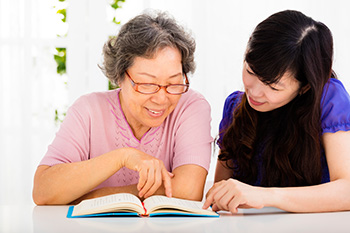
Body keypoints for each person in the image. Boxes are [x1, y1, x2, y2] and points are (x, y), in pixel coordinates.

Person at [33, 11, 213, 205]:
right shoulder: (88, 111)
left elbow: (188, 191)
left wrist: (89, 197)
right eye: (147, 84)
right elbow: (43, 191)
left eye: (174, 83)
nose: (161, 98)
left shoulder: (191, 106)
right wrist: (123, 157)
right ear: (119, 76)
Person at [203, 10, 350, 213]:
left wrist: (266, 196)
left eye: (273, 87)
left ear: (305, 87)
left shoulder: (328, 100)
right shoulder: (235, 107)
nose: (254, 92)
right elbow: (219, 193)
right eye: (250, 71)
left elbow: (346, 191)